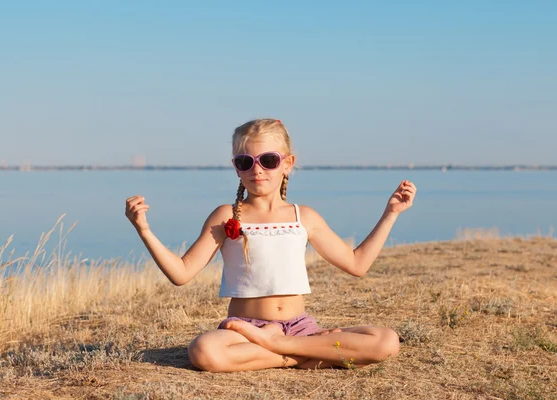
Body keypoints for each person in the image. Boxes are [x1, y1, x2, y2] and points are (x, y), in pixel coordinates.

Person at [125, 118, 417, 372]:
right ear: (236, 169)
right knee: (203, 351)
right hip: (244, 330)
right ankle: (300, 354)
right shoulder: (225, 216)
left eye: (268, 160)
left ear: (287, 164)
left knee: (387, 342)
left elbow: (357, 264)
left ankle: (283, 346)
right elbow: (182, 273)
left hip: (300, 327)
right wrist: (144, 229)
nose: (257, 170)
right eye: (245, 162)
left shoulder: (304, 216)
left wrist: (391, 213)